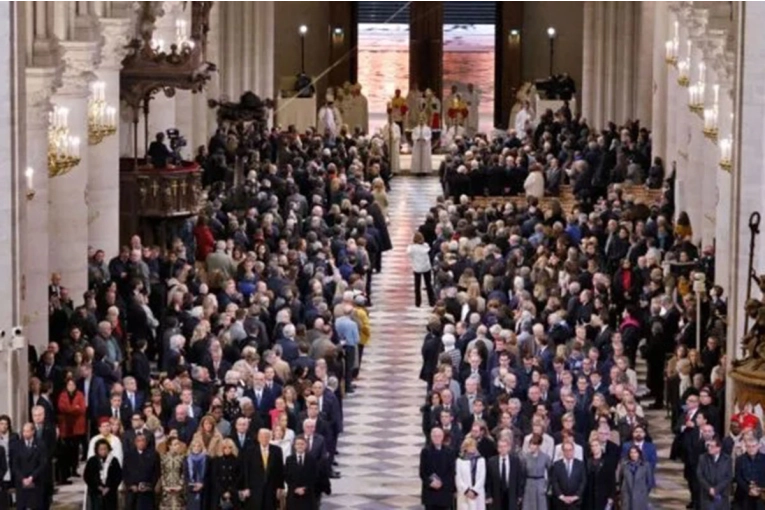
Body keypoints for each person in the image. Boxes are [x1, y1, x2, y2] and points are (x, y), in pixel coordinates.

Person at [239, 428, 284, 510]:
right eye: (262, 437)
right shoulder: (250, 451)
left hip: (271, 488)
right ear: (258, 438)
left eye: (267, 437)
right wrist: (246, 487)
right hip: (254, 488)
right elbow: (246, 470)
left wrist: (280, 487)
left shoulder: (277, 450)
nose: (264, 439)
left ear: (270, 437)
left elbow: (280, 470)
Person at [420, 427, 456, 510]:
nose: (437, 438)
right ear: (431, 437)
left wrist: (442, 482)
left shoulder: (450, 451)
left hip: (444, 491)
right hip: (430, 492)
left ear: (443, 437)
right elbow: (423, 472)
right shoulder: (425, 451)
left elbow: (452, 471)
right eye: (434, 436)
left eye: (439, 436)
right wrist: (430, 482)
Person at [13, 423, 46, 510]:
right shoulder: (17, 445)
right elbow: (15, 465)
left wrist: (32, 477)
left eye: (27, 431)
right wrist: (22, 478)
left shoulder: (40, 444)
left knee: (36, 505)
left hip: (36, 481)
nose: (25, 433)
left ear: (33, 432)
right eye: (24, 431)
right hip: (21, 482)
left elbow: (42, 464)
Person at [123, 434, 160, 510]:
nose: (141, 443)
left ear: (146, 442)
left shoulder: (153, 454)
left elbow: (156, 472)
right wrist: (130, 485)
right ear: (135, 442)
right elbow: (125, 472)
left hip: (147, 491)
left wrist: (150, 486)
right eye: (139, 441)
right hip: (132, 491)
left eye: (143, 440)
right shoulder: (128, 455)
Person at [485, 437, 524, 510]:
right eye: (500, 447)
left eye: (504, 446)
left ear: (509, 448)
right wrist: (488, 495)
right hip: (496, 495)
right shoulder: (491, 461)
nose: (502, 449)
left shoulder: (515, 461)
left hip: (511, 494)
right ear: (497, 448)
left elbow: (519, 478)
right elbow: (488, 480)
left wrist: (520, 494)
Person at [83, 438, 122, 510]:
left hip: (110, 493)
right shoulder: (92, 461)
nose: (103, 451)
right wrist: (98, 487)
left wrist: (109, 487)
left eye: (105, 449)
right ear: (97, 450)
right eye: (101, 449)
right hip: (96, 493)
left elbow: (118, 476)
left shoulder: (114, 461)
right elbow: (87, 476)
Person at [696, 437, 732, 510]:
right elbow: (700, 475)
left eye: (712, 446)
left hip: (722, 494)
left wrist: (716, 489)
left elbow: (728, 476)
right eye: (708, 446)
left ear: (719, 448)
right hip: (707, 494)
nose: (709, 448)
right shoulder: (702, 458)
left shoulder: (727, 459)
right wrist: (709, 488)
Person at [550, 441, 586, 510]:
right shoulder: (557, 465)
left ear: (573, 450)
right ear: (563, 451)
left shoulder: (580, 464)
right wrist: (561, 496)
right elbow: (554, 482)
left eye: (570, 450)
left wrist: (576, 496)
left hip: (576, 502)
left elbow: (583, 481)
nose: (568, 452)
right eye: (566, 450)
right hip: (560, 502)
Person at [284, 436, 318, 510]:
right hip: (293, 493)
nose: (300, 446)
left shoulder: (311, 459)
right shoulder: (289, 459)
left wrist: (305, 488)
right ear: (294, 446)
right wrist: (295, 488)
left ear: (306, 445)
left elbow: (314, 476)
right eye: (298, 444)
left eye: (302, 444)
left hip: (307, 494)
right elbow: (287, 476)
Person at [583, 438, 617, 510]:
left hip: (604, 496)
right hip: (590, 497)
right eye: (592, 446)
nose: (594, 448)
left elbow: (612, 481)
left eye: (596, 445)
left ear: (601, 447)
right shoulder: (587, 462)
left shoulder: (608, 462)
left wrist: (611, 497)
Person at [455, 437, 486, 510]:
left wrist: (475, 491)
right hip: (464, 494)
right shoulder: (460, 461)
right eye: (470, 446)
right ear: (465, 447)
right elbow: (458, 478)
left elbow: (482, 477)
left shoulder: (481, 460)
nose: (473, 448)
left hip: (477, 494)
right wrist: (466, 491)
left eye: (474, 446)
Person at [619, 446, 653, 510]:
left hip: (640, 496)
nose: (633, 454)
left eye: (635, 452)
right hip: (627, 495)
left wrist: (643, 492)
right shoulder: (624, 465)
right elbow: (621, 479)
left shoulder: (645, 465)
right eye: (631, 452)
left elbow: (649, 482)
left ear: (639, 454)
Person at [522, 434, 551, 510]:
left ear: (538, 445)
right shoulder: (525, 457)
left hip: (540, 484)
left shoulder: (545, 457)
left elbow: (551, 472)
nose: (532, 446)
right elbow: (522, 473)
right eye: (530, 444)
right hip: (529, 484)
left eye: (534, 444)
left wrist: (547, 487)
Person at [407, 232, 435, 308]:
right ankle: (432, 301)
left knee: (417, 286)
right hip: (426, 267)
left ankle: (418, 302)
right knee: (428, 284)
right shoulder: (426, 246)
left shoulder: (412, 248)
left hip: (417, 268)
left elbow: (408, 253)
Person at [212, 439, 240, 510]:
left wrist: (230, 491)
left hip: (232, 492)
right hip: (219, 492)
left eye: (230, 447)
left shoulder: (237, 461)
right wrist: (222, 492)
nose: (227, 450)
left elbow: (239, 477)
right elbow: (214, 477)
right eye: (225, 447)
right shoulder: (217, 460)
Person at [184, 438, 209, 510]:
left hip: (204, 489)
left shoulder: (207, 459)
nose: (196, 448)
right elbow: (185, 474)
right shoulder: (186, 459)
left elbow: (209, 475)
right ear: (191, 447)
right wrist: (191, 485)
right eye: (194, 446)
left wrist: (202, 484)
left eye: (198, 446)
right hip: (191, 489)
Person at [380, 107, 401, 175]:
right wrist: (388, 136)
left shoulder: (397, 126)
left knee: (394, 157)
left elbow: (398, 136)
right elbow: (384, 135)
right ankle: (388, 169)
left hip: (394, 144)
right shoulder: (386, 126)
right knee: (388, 156)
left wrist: (393, 135)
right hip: (388, 144)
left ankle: (395, 170)